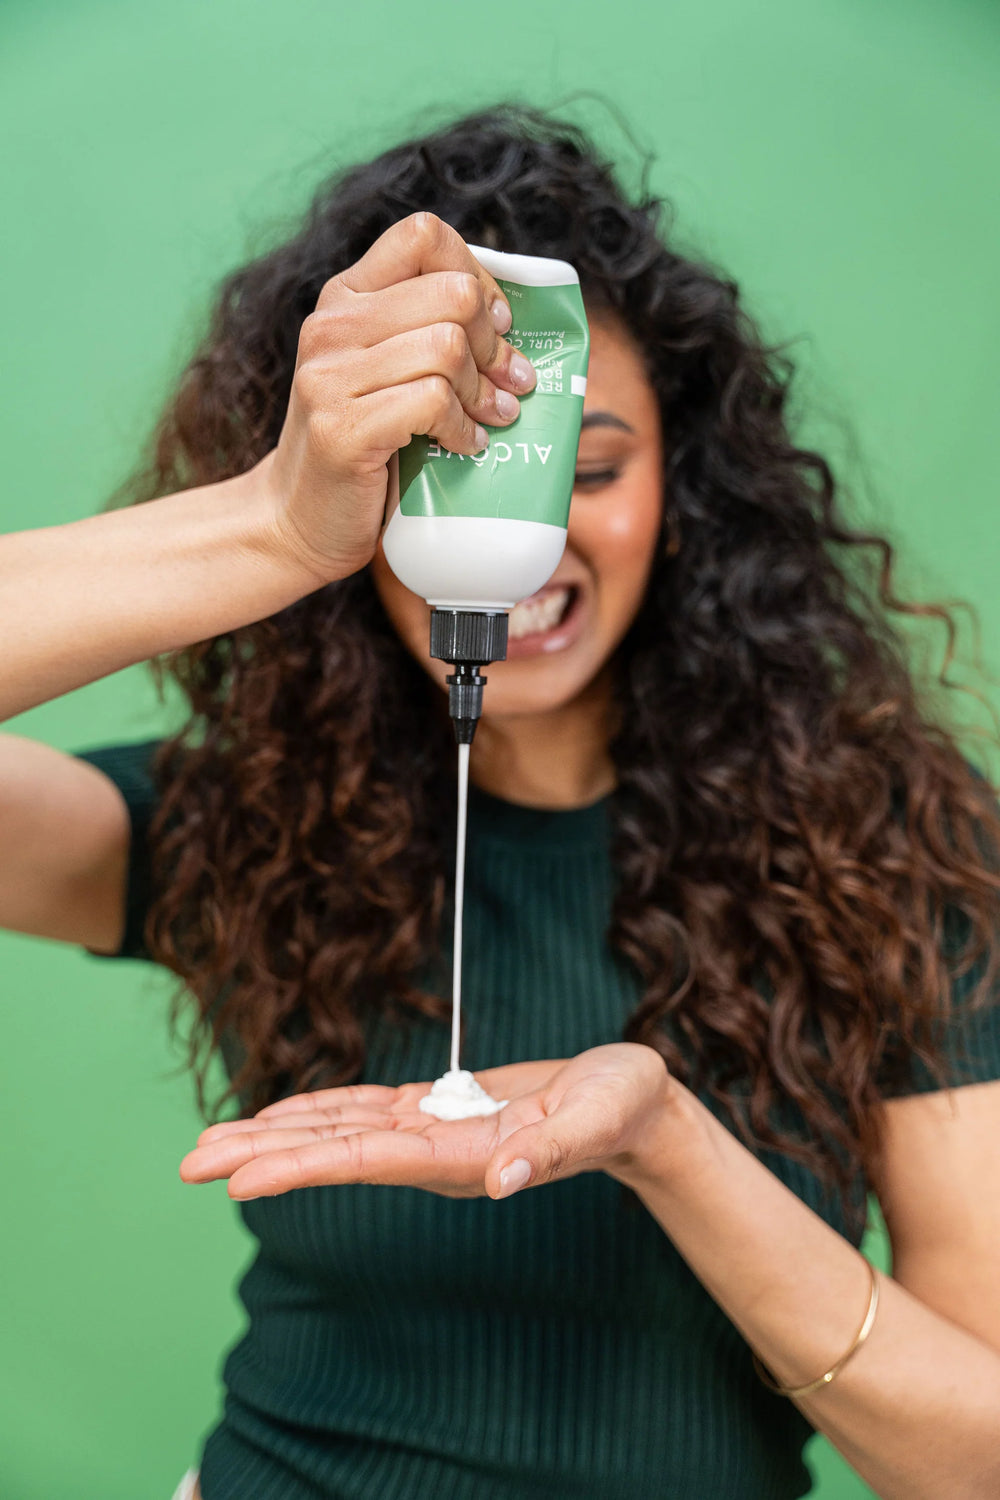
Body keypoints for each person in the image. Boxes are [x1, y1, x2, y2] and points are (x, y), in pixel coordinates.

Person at [2, 105, 999, 1500]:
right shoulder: (260, 827)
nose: (532, 541)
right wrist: (274, 525)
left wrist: (670, 1150)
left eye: (590, 470)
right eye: (432, 473)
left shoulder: (884, 859)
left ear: (687, 490)